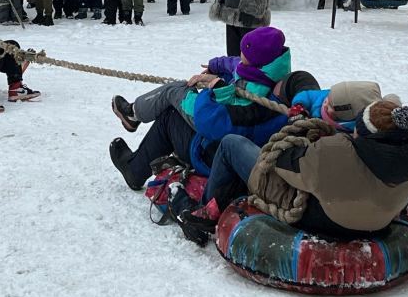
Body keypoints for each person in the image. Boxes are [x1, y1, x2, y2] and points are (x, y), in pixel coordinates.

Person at [181, 97, 408, 243]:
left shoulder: (337, 152)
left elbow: (282, 164)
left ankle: (206, 209)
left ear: (365, 133)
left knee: (232, 144)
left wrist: (297, 130)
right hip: (375, 222)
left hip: (322, 218)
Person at [109, 27, 291, 192]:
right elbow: (236, 65)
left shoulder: (257, 96)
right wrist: (216, 66)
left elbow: (215, 120)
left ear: (256, 60)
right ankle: (134, 125)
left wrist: (212, 90)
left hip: (214, 154)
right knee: (176, 98)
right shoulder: (270, 72)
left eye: (245, 52)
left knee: (172, 103)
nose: (241, 54)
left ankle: (134, 153)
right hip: (223, 140)